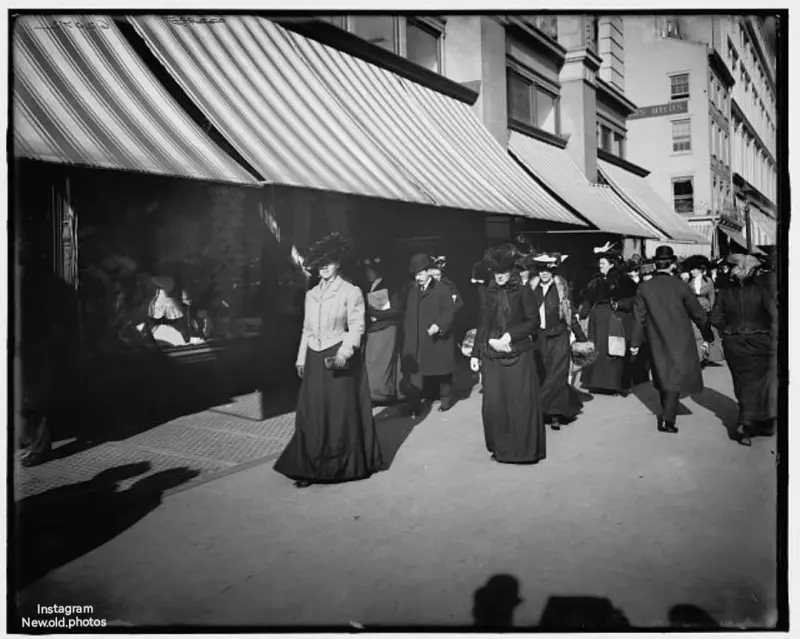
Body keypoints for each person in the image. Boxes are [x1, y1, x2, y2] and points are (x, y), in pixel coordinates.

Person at [274, 233, 383, 488]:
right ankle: (309, 466)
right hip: (313, 357)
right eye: (320, 263)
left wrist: (344, 354)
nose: (324, 267)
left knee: (337, 415)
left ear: (338, 264)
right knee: (311, 414)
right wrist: (301, 358)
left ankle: (337, 465)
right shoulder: (310, 294)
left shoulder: (351, 291)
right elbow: (306, 329)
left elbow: (357, 327)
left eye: (329, 261)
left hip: (339, 357)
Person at [470, 244, 544, 463]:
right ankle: (501, 449)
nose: (500, 277)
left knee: (519, 404)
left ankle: (522, 452)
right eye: (496, 272)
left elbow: (534, 322)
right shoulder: (488, 292)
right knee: (496, 405)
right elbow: (483, 325)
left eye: (503, 272)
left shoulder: (524, 291)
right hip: (492, 358)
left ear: (511, 270)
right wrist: (475, 354)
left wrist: (510, 336)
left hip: (519, 355)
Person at [630, 246, 714, 434]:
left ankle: (667, 413)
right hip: (680, 337)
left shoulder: (644, 287)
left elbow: (638, 318)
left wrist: (635, 343)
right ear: (672, 264)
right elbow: (698, 313)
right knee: (673, 376)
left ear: (656, 264)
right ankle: (668, 419)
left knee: (662, 373)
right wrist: (707, 333)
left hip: (655, 337)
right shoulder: (681, 286)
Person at [710, 253, 777, 445]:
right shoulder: (762, 292)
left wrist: (728, 329)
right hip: (761, 341)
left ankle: (748, 422)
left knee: (743, 382)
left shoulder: (724, 293)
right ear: (752, 272)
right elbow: (775, 318)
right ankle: (757, 421)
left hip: (734, 342)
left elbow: (715, 319)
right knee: (762, 382)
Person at [529, 252, 586, 430]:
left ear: (553, 271)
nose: (544, 273)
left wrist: (582, 338)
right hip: (539, 339)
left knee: (557, 376)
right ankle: (546, 410)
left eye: (547, 270)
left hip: (559, 337)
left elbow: (570, 314)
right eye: (541, 270)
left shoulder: (561, 289)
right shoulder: (532, 290)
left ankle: (553, 414)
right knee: (542, 375)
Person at [578, 243, 638, 396]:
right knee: (597, 349)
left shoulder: (623, 280)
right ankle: (597, 383)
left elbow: (633, 299)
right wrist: (581, 314)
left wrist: (619, 304)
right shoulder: (595, 281)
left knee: (613, 350)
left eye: (603, 264)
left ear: (612, 264)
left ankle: (614, 384)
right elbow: (588, 299)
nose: (600, 267)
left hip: (615, 318)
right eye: (600, 264)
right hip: (597, 320)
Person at [401, 253, 457, 416]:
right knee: (414, 372)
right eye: (415, 274)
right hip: (416, 338)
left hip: (435, 337)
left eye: (420, 274)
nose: (417, 278)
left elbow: (449, 312)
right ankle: (414, 405)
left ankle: (445, 399)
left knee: (442, 371)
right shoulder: (412, 291)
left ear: (428, 272)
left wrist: (439, 326)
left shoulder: (442, 289)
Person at [361, 256, 402, 404]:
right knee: (373, 361)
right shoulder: (368, 286)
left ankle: (382, 394)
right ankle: (378, 392)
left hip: (386, 327)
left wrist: (375, 313)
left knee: (383, 362)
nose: (367, 273)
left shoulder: (389, 286)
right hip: (374, 328)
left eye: (370, 271)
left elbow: (397, 310)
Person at [682, 255, 722, 365]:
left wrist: (712, 307)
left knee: (707, 330)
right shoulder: (688, 281)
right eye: (691, 269)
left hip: (705, 307)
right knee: (695, 331)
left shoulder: (708, 281)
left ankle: (707, 353)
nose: (692, 271)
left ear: (700, 270)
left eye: (694, 269)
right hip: (692, 307)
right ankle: (698, 355)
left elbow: (712, 295)